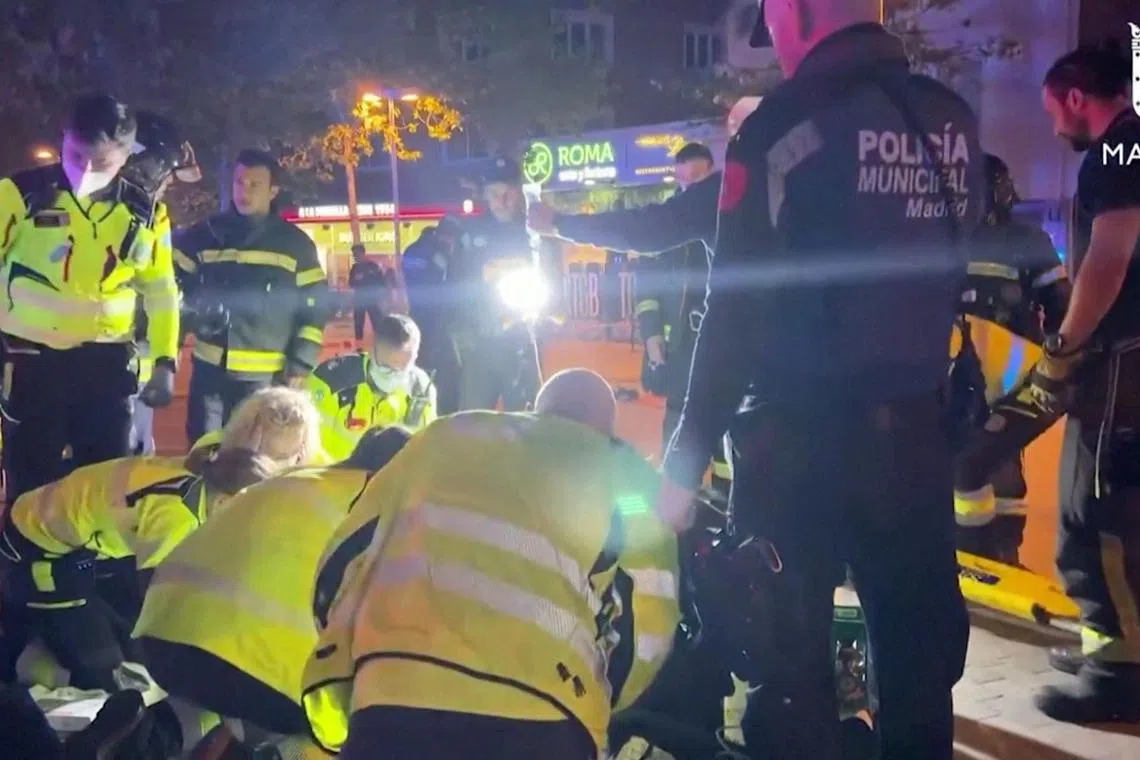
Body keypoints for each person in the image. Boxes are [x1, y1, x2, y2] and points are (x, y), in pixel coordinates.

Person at [657, 3, 983, 759]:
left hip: (796, 445)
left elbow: (733, 311)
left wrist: (684, 459)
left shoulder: (780, 126)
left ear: (797, 13)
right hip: (915, 440)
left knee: (788, 662)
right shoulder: (950, 119)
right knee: (917, 663)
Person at [300, 369, 681, 759]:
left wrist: (355, 651)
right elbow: (649, 614)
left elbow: (343, 556)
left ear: (535, 407)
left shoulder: (445, 438)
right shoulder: (624, 479)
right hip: (544, 716)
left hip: (394, 695)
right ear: (606, 426)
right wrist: (604, 696)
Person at [65, 427, 412, 760]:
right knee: (342, 725)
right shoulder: (382, 510)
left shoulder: (298, 478)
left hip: (162, 635)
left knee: (216, 695)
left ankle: (146, 733)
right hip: (254, 669)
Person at [0, 387, 322, 693]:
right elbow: (157, 602)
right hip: (36, 544)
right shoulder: (175, 517)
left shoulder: (214, 456)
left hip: (80, 539)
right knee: (106, 671)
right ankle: (25, 671)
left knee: (116, 639)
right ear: (225, 502)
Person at [1027, 44, 1140, 722]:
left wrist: (1064, 347)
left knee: (1093, 510)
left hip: (1122, 359)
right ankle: (1116, 642)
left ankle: (1118, 673)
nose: (1053, 129)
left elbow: (1108, 257)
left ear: (1076, 97)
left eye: (1051, 111)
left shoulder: (1119, 154)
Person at [0, 95, 180, 504]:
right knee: (31, 485)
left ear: (125, 157)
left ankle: (96, 567)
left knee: (105, 488)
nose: (84, 171)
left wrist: (166, 362)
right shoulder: (20, 195)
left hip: (106, 366)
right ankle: (25, 564)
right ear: (64, 139)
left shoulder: (146, 212)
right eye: (76, 156)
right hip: (31, 363)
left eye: (101, 163)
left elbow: (162, 292)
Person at [528, 143, 732, 492]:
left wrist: (560, 222)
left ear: (712, 172)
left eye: (697, 178)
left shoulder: (718, 207)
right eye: (683, 180)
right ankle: (683, 511)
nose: (689, 188)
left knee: (722, 431)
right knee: (681, 429)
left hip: (720, 343)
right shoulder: (687, 214)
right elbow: (647, 285)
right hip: (682, 348)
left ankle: (721, 502)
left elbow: (643, 229)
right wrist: (652, 334)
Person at [951, 153, 1070, 565]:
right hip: (962, 383)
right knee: (965, 471)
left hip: (1005, 384)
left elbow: (1062, 311)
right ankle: (978, 559)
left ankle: (995, 560)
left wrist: (1058, 365)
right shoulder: (941, 240)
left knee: (985, 469)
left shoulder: (1027, 242)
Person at [174, 149, 329, 444]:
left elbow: (316, 306)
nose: (244, 191)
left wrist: (301, 362)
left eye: (255, 185)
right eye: (239, 183)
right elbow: (172, 289)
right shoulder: (205, 234)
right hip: (210, 374)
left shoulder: (295, 245)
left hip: (265, 379)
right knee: (202, 451)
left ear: (273, 190)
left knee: (253, 459)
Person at [123, 111, 202, 457]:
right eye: (167, 173)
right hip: (85, 366)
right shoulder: (74, 206)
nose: (169, 183)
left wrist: (164, 362)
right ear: (145, 163)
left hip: (134, 361)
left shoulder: (153, 216)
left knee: (136, 451)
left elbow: (159, 289)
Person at [447, 158, 551, 411]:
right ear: (485, 195)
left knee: (528, 423)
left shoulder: (536, 234)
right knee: (471, 425)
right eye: (494, 194)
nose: (501, 202)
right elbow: (455, 285)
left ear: (518, 193)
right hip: (479, 343)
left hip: (521, 341)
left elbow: (552, 283)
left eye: (508, 194)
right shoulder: (471, 233)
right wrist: (461, 334)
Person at [307, 313, 437, 460]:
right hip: (337, 479)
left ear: (415, 357)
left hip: (394, 479)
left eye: (402, 369)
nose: (393, 376)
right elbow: (309, 449)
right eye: (385, 368)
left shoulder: (420, 390)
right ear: (370, 350)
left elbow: (426, 448)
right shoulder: (330, 382)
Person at [403, 219, 463, 413]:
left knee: (421, 363)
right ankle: (443, 409)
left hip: (418, 314)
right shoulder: (436, 253)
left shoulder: (411, 250)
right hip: (436, 318)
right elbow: (444, 282)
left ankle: (418, 407)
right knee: (446, 366)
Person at [348, 242, 387, 345]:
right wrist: (356, 280)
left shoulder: (373, 266)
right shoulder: (355, 268)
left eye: (356, 254)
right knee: (358, 323)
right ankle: (359, 345)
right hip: (359, 299)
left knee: (377, 320)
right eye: (354, 255)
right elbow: (351, 283)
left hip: (372, 299)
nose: (355, 257)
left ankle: (380, 342)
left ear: (363, 253)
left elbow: (382, 282)